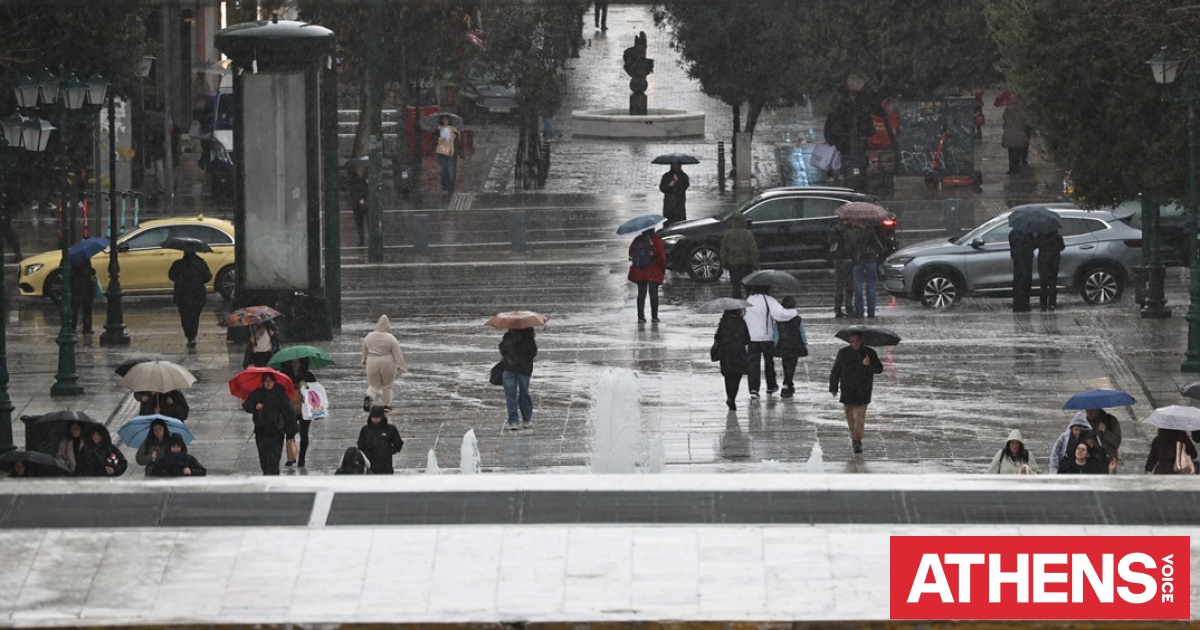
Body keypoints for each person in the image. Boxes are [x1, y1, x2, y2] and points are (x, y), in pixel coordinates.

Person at [829, 331, 883, 453]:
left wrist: (869, 364)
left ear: (861, 340)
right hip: (847, 390)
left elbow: (879, 369)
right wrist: (833, 387)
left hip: (863, 391)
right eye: (852, 341)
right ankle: (854, 436)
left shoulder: (869, 353)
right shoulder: (843, 353)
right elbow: (836, 371)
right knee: (850, 418)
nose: (855, 344)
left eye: (857, 341)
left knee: (859, 417)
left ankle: (857, 441)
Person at [744, 286, 797, 399]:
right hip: (766, 337)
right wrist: (793, 312)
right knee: (769, 363)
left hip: (752, 338)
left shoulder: (749, 299)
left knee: (753, 364)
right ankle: (771, 385)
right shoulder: (768, 299)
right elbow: (781, 314)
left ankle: (753, 389)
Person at [242, 373, 298, 476]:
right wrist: (255, 406)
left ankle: (274, 476)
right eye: (266, 381)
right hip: (261, 431)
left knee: (275, 457)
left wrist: (291, 429)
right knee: (264, 457)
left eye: (270, 381)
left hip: (276, 431)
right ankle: (267, 475)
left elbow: (288, 412)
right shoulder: (257, 393)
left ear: (274, 382)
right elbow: (246, 406)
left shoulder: (280, 394)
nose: (268, 383)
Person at [361, 315, 408, 413]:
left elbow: (364, 350)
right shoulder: (390, 338)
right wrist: (401, 366)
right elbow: (397, 352)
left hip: (372, 360)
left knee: (373, 384)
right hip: (387, 361)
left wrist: (364, 360)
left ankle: (369, 396)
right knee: (387, 385)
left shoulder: (369, 336)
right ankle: (387, 405)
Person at [168, 250, 212, 347]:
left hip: (182, 293)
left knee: (185, 316)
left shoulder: (178, 264)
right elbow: (207, 277)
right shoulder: (200, 263)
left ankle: (189, 335)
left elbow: (171, 275)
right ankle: (192, 335)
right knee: (195, 316)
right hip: (197, 293)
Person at [280, 357, 317, 468]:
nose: (295, 364)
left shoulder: (308, 375)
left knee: (304, 434)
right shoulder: (284, 375)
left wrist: (306, 386)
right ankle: (291, 457)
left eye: (297, 362)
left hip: (304, 408)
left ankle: (302, 458)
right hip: (290, 409)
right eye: (292, 362)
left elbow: (315, 392)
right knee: (289, 434)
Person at [499, 326, 538, 430]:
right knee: (524, 393)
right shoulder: (528, 338)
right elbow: (533, 353)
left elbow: (503, 350)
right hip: (524, 370)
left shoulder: (509, 336)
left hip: (509, 368)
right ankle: (527, 420)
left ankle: (513, 421)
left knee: (510, 396)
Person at [712, 308, 750, 410]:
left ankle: (729, 396)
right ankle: (732, 397)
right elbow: (747, 339)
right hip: (739, 353)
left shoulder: (723, 323)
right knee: (737, 376)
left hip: (726, 353)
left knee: (728, 377)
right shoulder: (741, 322)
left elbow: (718, 338)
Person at [627, 228, 666, 323]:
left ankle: (641, 317)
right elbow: (661, 256)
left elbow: (631, 252)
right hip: (653, 271)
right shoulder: (655, 240)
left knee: (641, 294)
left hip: (640, 271)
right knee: (653, 294)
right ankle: (654, 317)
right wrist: (663, 267)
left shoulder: (637, 240)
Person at [774, 297, 808, 399]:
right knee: (792, 366)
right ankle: (786, 385)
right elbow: (802, 332)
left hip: (783, 345)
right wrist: (805, 344)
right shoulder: (797, 319)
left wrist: (774, 345)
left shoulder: (778, 319)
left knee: (786, 365)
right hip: (795, 345)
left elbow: (776, 334)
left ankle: (789, 383)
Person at [720, 214, 759, 299]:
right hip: (746, 264)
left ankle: (737, 306)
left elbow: (723, 250)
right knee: (748, 286)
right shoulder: (748, 233)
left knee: (736, 287)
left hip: (733, 264)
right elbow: (753, 250)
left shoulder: (728, 234)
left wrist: (724, 264)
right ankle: (749, 303)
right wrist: (756, 265)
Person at [356, 405, 404, 474]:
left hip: (385, 465)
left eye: (377, 417)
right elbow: (360, 444)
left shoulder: (390, 429)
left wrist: (388, 451)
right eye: (373, 417)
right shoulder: (365, 430)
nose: (375, 419)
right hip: (370, 464)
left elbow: (398, 443)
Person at [829, 218, 854, 318]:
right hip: (849, 259)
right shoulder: (851, 230)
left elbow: (831, 243)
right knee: (849, 286)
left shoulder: (834, 229)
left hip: (839, 260)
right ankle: (849, 307)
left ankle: (838, 308)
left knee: (839, 286)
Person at [1036, 230, 1065, 311]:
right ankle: (1052, 303)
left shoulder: (1040, 235)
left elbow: (1035, 245)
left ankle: (1043, 303)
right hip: (1054, 261)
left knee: (1043, 284)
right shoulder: (1057, 236)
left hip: (1043, 261)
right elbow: (1062, 247)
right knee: (1052, 283)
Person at [1008, 227, 1036, 313]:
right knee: (1026, 283)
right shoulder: (1029, 233)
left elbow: (1013, 246)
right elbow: (1033, 245)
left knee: (1018, 283)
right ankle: (1025, 304)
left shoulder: (1012, 233)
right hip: (1026, 260)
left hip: (1018, 261)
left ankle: (1017, 304)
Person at [1001, 102, 1030, 174]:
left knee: (1011, 152)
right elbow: (1026, 120)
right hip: (1019, 133)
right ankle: (1016, 168)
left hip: (1010, 133)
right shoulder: (1022, 110)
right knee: (1017, 152)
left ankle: (1012, 168)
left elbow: (1004, 117)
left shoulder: (1008, 109)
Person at [69, 258, 96, 334]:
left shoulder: (73, 260)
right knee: (87, 307)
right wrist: (92, 271)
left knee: (75, 306)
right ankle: (87, 328)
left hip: (76, 285)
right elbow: (88, 271)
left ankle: (72, 326)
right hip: (86, 285)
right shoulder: (85, 259)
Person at [435, 115, 459, 195]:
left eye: (447, 119)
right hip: (442, 153)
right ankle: (444, 185)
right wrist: (439, 139)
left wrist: (460, 152)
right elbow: (434, 141)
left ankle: (450, 188)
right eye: (443, 119)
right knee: (443, 172)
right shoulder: (438, 129)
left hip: (451, 153)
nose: (445, 121)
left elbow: (457, 142)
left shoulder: (454, 129)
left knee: (451, 172)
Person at [346, 163, 368, 247]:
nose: (360, 171)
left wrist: (364, 199)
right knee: (359, 223)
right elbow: (352, 192)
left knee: (368, 222)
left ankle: (365, 240)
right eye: (359, 170)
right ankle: (361, 240)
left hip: (365, 203)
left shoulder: (366, 177)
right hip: (357, 204)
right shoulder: (353, 179)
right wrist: (359, 199)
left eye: (361, 169)